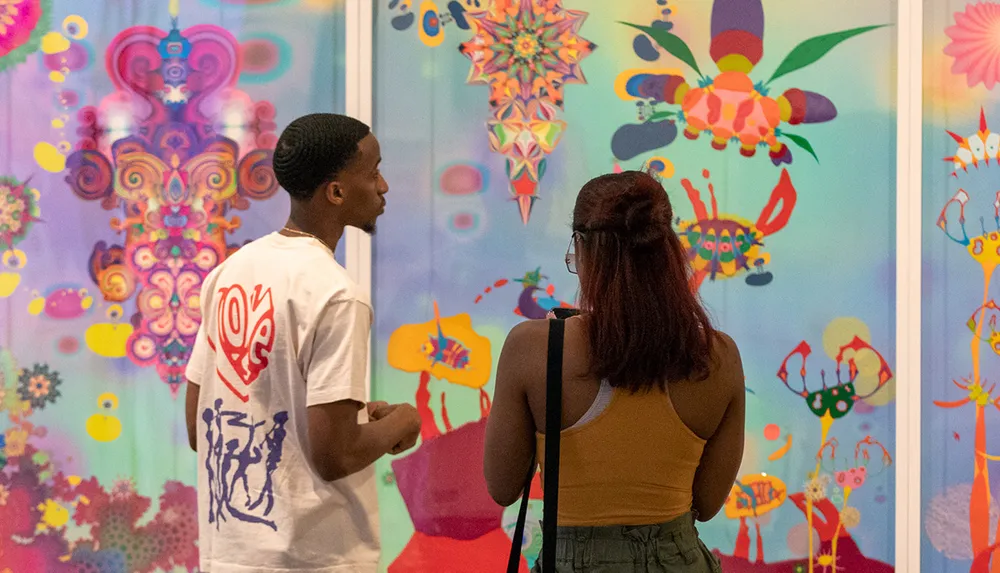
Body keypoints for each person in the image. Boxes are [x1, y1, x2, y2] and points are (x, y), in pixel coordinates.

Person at [185, 113, 422, 573]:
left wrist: (346, 415)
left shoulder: (229, 274)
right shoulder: (336, 295)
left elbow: (201, 427)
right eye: (373, 172)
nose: (384, 185)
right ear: (335, 192)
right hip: (314, 560)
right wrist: (404, 422)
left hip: (229, 555)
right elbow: (335, 454)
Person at [484, 170, 745, 572]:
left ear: (582, 249)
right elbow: (707, 504)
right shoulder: (717, 356)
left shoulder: (533, 348)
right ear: (667, 250)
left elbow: (503, 487)